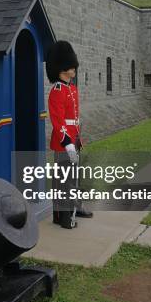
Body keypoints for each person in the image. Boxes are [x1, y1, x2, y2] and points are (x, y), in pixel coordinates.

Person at [46, 40, 93, 229]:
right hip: (63, 142)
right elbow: (58, 122)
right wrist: (68, 143)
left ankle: (76, 206)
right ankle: (63, 217)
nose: (74, 69)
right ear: (61, 68)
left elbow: (74, 117)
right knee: (64, 181)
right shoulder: (57, 91)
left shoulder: (71, 89)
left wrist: (77, 139)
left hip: (74, 138)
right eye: (70, 66)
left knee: (74, 178)